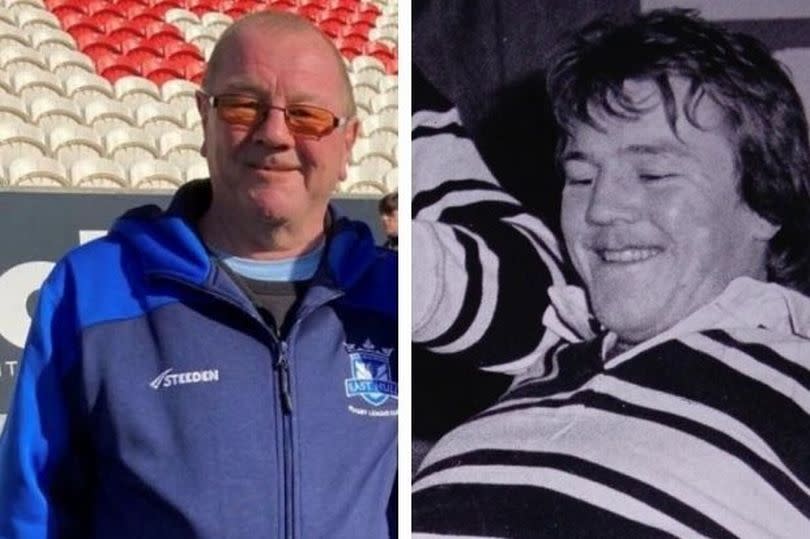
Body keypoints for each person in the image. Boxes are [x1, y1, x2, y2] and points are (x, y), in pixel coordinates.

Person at [413, 9, 810, 538]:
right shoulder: (544, 360)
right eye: (581, 176)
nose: (600, 208)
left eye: (653, 173)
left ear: (765, 202)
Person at [0, 11, 397, 539]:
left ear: (348, 143)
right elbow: (31, 512)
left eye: (306, 115)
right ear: (203, 119)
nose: (275, 133)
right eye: (242, 105)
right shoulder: (93, 290)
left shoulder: (395, 297)